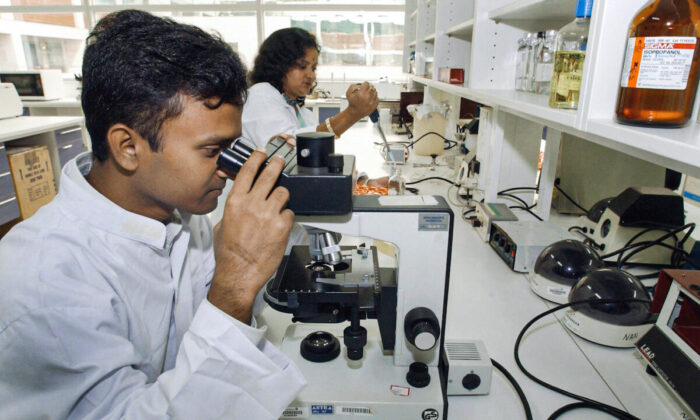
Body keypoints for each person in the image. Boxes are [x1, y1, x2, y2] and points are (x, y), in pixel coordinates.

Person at [0, 10, 305, 420]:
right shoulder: (45, 282)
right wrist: (236, 280)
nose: (230, 167)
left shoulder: (178, 212)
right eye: (214, 150)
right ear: (128, 147)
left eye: (234, 146)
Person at [242, 27, 378, 147]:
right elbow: (288, 149)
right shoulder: (260, 95)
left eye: (313, 68)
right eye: (302, 66)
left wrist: (360, 177)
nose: (310, 75)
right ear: (278, 65)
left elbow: (318, 158)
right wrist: (352, 113)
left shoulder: (303, 113)